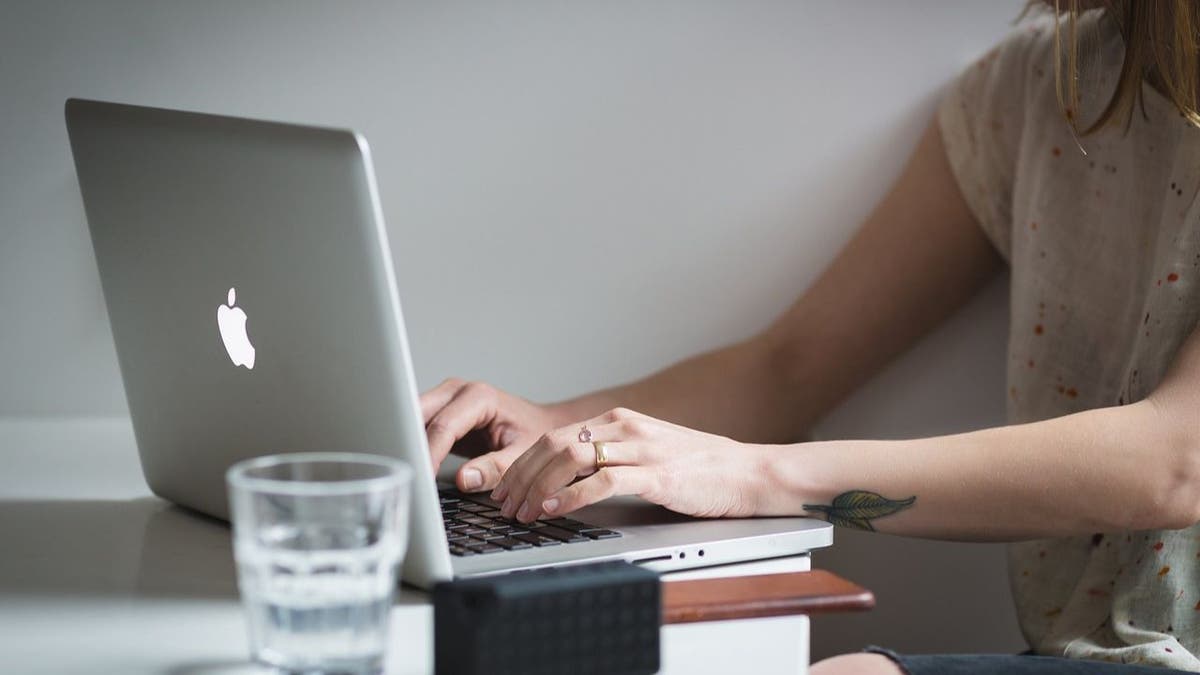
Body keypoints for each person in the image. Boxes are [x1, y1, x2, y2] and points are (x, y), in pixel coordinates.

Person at [420, 2, 1200, 672]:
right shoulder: (1028, 90)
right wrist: (556, 428)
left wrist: (759, 476)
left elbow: (1175, 462)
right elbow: (790, 367)